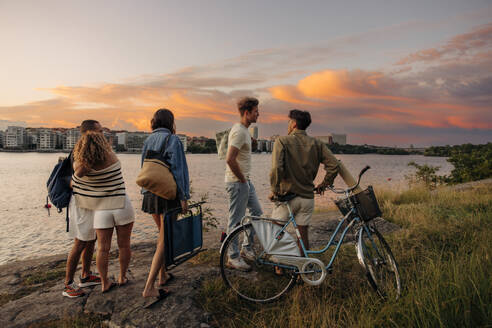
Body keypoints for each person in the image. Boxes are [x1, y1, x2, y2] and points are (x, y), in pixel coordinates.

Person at [70, 120, 135, 293]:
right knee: (124, 245)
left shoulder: (81, 165)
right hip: (121, 204)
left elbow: (74, 182)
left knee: (103, 248)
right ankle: (122, 276)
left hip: (101, 209)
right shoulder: (112, 156)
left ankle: (105, 282)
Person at [269, 109, 341, 255]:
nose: (288, 124)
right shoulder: (317, 144)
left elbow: (277, 168)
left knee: (276, 229)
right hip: (307, 197)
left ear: (294, 123)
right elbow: (334, 165)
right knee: (302, 236)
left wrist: (275, 190)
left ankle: (279, 265)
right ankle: (303, 269)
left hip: (287, 196)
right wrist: (323, 184)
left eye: (289, 121)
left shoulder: (282, 141)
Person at [141, 108, 190, 301]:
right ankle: (149, 287)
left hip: (151, 194)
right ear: (171, 122)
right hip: (167, 195)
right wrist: (184, 197)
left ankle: (163, 275)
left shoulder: (147, 140)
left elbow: (144, 169)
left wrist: (144, 191)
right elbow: (179, 170)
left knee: (162, 234)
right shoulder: (173, 140)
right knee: (164, 238)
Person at [63, 120, 103, 298]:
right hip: (82, 203)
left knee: (91, 239)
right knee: (80, 242)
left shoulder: (90, 149)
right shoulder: (80, 151)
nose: (101, 134)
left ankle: (86, 275)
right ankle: (68, 285)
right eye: (99, 131)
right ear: (89, 132)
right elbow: (76, 178)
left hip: (91, 202)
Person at [225, 97, 263, 271]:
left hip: (245, 180)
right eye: (256, 111)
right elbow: (230, 159)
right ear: (247, 113)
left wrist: (251, 142)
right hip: (238, 182)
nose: (258, 114)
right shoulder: (240, 131)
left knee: (257, 212)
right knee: (235, 220)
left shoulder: (243, 131)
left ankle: (246, 249)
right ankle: (232, 257)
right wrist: (241, 179)